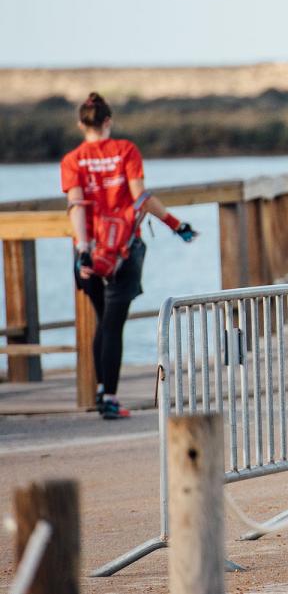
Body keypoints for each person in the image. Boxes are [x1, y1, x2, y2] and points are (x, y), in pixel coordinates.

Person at [61, 92, 197, 420]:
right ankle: (109, 397)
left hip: (89, 252)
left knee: (102, 320)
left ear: (81, 124)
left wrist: (83, 249)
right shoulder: (126, 151)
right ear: (108, 121)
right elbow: (141, 198)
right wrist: (176, 225)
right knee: (112, 325)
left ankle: (101, 391)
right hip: (123, 249)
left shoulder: (72, 160)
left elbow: (76, 205)